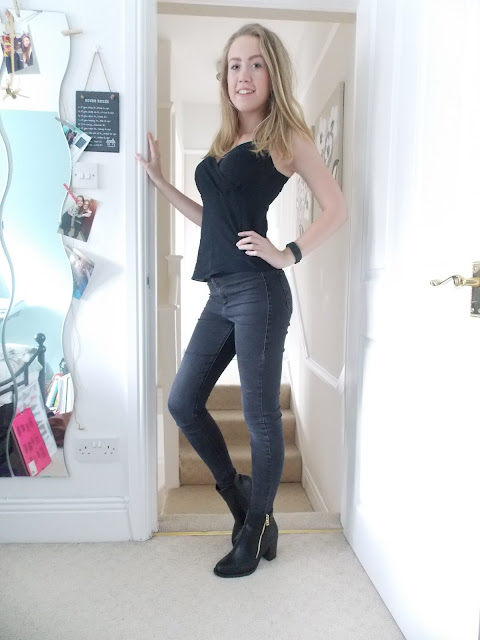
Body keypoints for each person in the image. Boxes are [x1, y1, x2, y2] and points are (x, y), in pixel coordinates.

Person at [136, 23, 347, 578]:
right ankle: (241, 502)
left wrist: (287, 253)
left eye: (256, 64)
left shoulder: (286, 136)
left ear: (272, 73)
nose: (243, 75)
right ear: (224, 77)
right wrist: (161, 182)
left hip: (259, 293)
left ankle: (254, 531)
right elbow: (213, 220)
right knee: (183, 402)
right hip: (220, 294)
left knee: (259, 416)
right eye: (234, 65)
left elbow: (337, 208)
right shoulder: (225, 141)